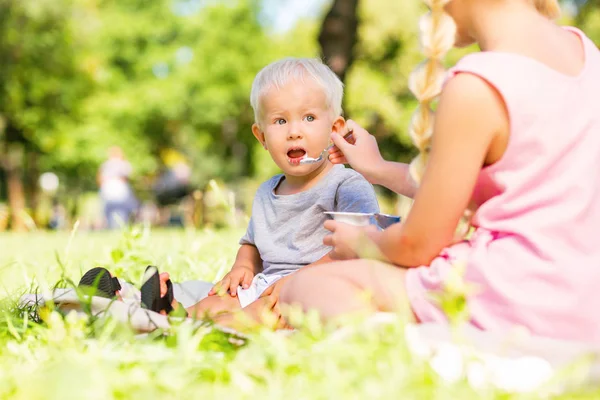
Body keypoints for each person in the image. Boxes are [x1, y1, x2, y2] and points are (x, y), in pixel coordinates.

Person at [280, 0, 600, 343]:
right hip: (584, 308)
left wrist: (362, 241)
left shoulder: (477, 84)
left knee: (306, 287)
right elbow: (473, 186)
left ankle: (418, 349)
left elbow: (418, 244)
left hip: (513, 301)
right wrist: (379, 168)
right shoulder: (585, 53)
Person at [79, 57, 380, 330]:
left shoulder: (346, 185)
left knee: (253, 315)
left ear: (336, 129)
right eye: (280, 121)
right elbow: (252, 242)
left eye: (309, 118)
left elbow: (361, 247)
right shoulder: (267, 191)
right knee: (218, 302)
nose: (294, 131)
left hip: (318, 286)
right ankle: (165, 311)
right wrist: (243, 266)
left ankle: (179, 327)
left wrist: (299, 281)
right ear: (261, 136)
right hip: (268, 283)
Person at [97, 146, 138, 229]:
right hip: (120, 190)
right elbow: (127, 177)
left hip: (107, 190)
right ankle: (120, 227)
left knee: (109, 211)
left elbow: (100, 179)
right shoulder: (124, 164)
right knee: (122, 211)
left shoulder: (105, 165)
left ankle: (111, 227)